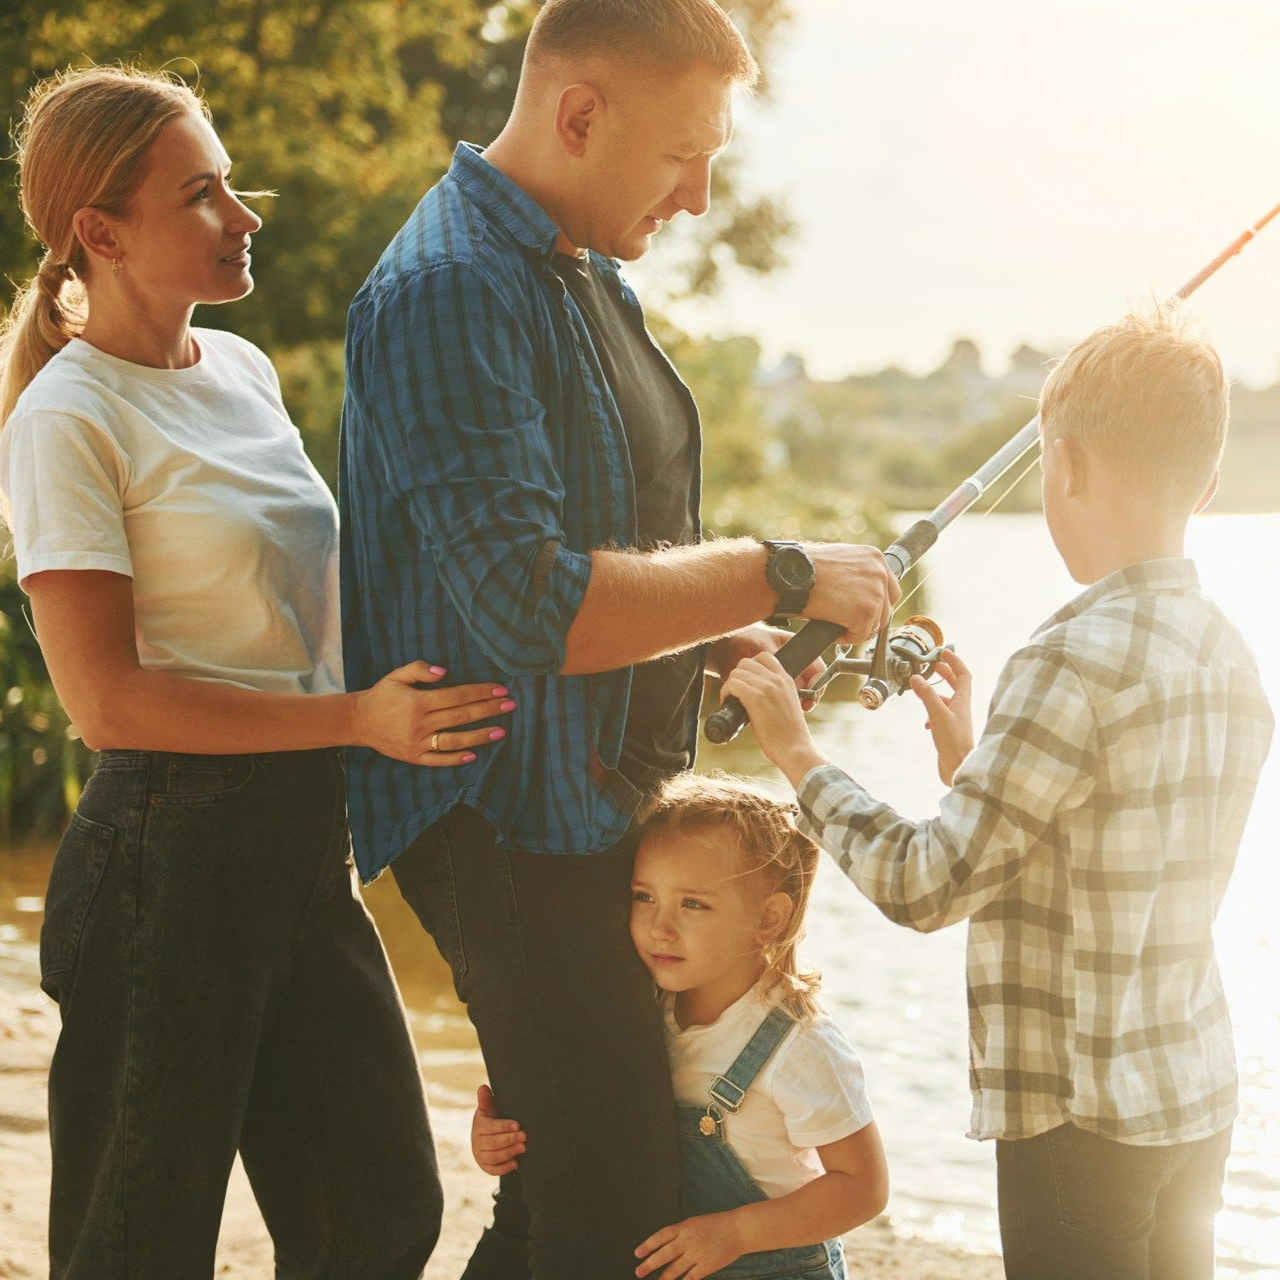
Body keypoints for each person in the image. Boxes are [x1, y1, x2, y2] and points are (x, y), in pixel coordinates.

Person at [339, 1, 898, 1274]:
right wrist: (783, 564)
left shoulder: (575, 264)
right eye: (681, 154)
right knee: (608, 1213)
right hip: (506, 822)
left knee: (562, 1197)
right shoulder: (445, 291)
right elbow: (533, 606)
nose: (699, 196)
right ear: (579, 113)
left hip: (595, 807)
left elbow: (601, 548)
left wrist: (725, 637)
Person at [0, 65, 513, 1279]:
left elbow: (328, 604)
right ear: (101, 232)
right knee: (135, 1248)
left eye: (233, 183)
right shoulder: (64, 418)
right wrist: (355, 719)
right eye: (202, 194)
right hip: (161, 866)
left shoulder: (241, 372)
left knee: (378, 1213)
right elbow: (104, 701)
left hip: (303, 839)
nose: (245, 215)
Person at [719, 305, 1276, 1280]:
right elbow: (1110, 841)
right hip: (1190, 1095)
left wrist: (797, 750)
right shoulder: (1228, 650)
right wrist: (972, 760)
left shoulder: (1066, 654)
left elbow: (926, 886)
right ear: (1209, 481)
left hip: (1075, 1112)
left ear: (1063, 467)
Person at [470, 772, 889, 1280]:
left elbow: (862, 1189)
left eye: (693, 904)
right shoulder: (639, 1008)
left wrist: (736, 1233)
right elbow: (580, 1109)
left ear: (769, 920)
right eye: (644, 896)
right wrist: (502, 1135)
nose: (659, 926)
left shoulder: (800, 1045)